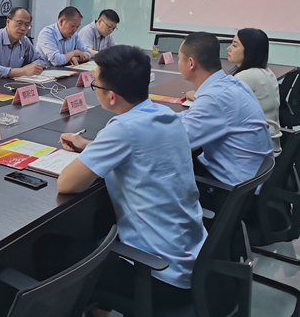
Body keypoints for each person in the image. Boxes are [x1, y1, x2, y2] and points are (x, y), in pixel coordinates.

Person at [54, 45, 206, 313]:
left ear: (111, 97)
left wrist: (97, 149)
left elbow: (67, 184)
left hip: (157, 276)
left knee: (48, 250)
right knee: (101, 221)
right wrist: (90, 146)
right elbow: (139, 146)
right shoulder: (166, 115)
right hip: (193, 262)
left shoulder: (123, 129)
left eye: (96, 86)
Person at [178, 32, 273, 187]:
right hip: (251, 178)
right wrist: (160, 118)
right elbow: (190, 116)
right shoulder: (231, 84)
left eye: (179, 57)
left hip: (233, 189)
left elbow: (179, 140)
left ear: (190, 63)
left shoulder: (214, 98)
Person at [0, 7, 49, 79]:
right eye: (19, 23)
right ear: (8, 22)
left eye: (27, 25)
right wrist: (23, 71)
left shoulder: (24, 40)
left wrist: (31, 68)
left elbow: (40, 60)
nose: (23, 28)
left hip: (10, 83)